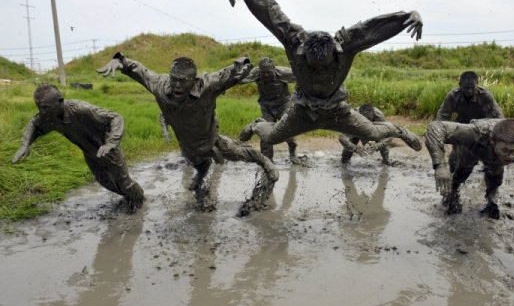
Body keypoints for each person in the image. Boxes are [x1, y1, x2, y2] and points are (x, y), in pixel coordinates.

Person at [227, 0, 423, 151]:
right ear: (304, 53)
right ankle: (256, 125)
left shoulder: (346, 45)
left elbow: (372, 29)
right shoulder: (294, 41)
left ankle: (402, 132)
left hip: (336, 111)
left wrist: (407, 17)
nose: (319, 70)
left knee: (373, 133)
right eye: (314, 66)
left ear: (334, 52)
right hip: (302, 111)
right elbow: (272, 14)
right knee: (270, 137)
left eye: (324, 65)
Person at [97, 54, 279, 216]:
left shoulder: (208, 84)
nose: (176, 85)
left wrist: (242, 64)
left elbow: (230, 72)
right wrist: (120, 60)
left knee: (241, 153)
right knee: (200, 182)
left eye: (183, 80)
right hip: (189, 148)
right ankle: (202, 188)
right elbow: (140, 70)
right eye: (174, 79)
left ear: (193, 80)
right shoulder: (160, 85)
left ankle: (266, 163)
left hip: (212, 142)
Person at [12, 84, 145, 212]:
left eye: (45, 108)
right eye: (39, 108)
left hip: (108, 149)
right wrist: (25, 145)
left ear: (60, 101)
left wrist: (111, 143)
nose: (42, 112)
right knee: (105, 182)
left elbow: (115, 117)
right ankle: (130, 198)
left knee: (124, 183)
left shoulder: (81, 109)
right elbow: (34, 123)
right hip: (89, 153)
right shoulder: (48, 117)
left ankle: (141, 203)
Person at [240, 57, 303, 164]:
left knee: (288, 128)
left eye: (268, 72)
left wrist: (299, 95)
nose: (265, 75)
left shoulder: (283, 73)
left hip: (284, 104)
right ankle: (267, 160)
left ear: (273, 70)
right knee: (265, 132)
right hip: (267, 107)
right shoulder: (255, 73)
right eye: (263, 73)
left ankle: (293, 152)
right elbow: (238, 79)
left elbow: (302, 78)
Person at [436, 71, 503, 124]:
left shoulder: (485, 96)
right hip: (461, 128)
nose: (469, 91)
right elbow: (442, 115)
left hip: (481, 128)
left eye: (472, 88)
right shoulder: (453, 96)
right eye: (466, 88)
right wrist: (439, 129)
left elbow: (498, 116)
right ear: (460, 85)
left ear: (477, 84)